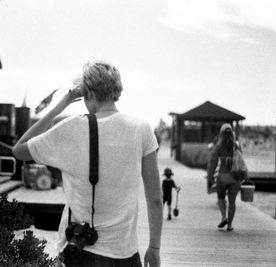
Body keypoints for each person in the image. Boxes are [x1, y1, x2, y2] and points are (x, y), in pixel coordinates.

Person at [12, 60, 163, 267]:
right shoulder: (142, 129)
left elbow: (19, 150)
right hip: (126, 254)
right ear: (116, 91)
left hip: (82, 254)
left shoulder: (71, 128)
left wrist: (63, 102)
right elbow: (155, 197)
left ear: (87, 93)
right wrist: (154, 248)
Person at [207, 123, 247, 231]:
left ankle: (223, 217)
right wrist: (244, 175)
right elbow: (241, 160)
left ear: (221, 134)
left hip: (223, 177)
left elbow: (213, 163)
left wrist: (210, 177)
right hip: (235, 177)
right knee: (232, 201)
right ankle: (229, 225)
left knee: (220, 198)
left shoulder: (218, 146)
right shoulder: (237, 145)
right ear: (232, 133)